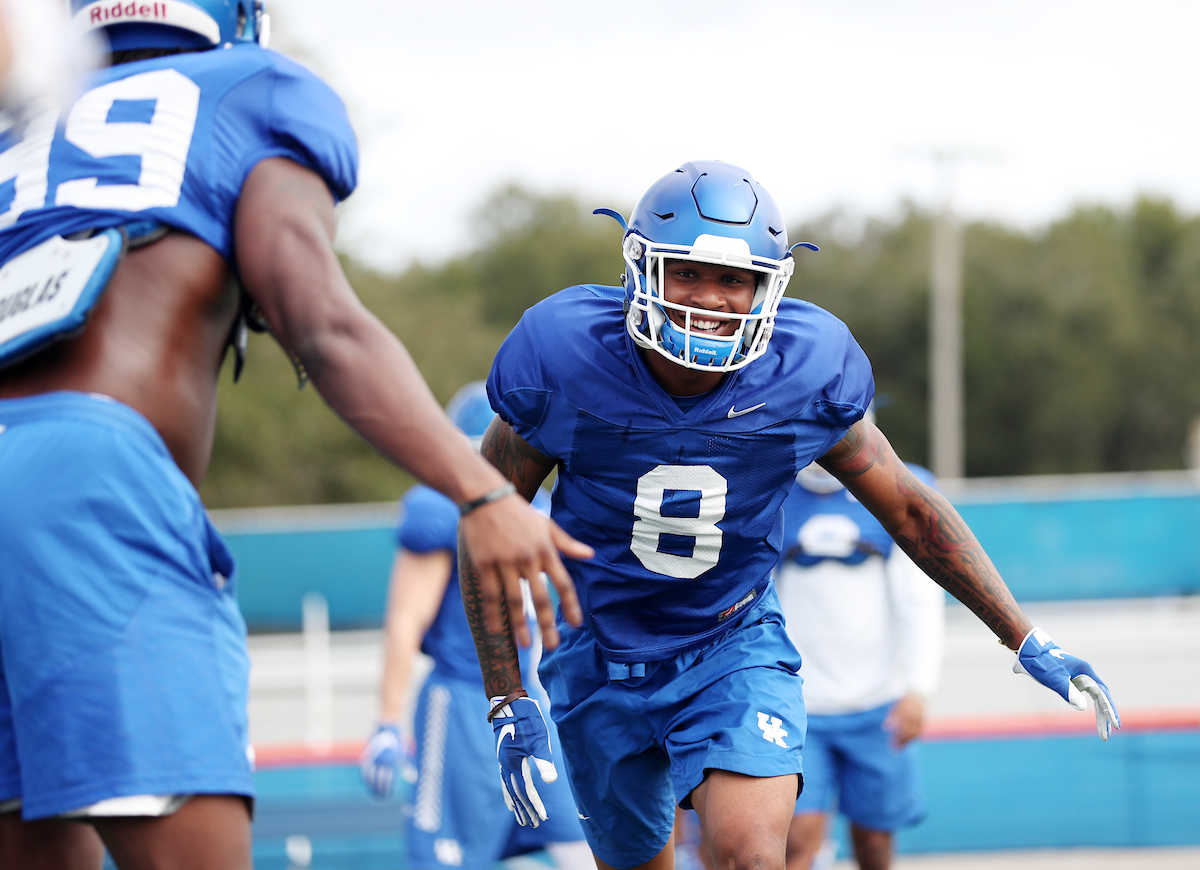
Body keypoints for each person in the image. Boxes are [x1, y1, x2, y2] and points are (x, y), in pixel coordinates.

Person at [0, 4, 589, 869]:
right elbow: (325, 326)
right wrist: (483, 491)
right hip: (92, 479)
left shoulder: (20, 136)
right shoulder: (251, 90)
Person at [455, 160, 1120, 870]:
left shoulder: (805, 370)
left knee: (751, 853)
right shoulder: (564, 354)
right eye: (687, 273)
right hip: (597, 656)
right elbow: (485, 517)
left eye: (732, 280)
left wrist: (1022, 636)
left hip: (729, 644)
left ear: (767, 288)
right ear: (641, 270)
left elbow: (911, 509)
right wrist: (506, 696)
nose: (708, 299)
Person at [360, 381, 590, 870]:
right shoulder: (444, 510)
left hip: (536, 702)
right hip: (468, 704)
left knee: (589, 852)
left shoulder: (538, 508)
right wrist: (387, 720)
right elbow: (406, 620)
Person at [776, 458, 945, 870]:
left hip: (876, 705)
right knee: (796, 840)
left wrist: (918, 690)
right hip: (797, 708)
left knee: (873, 842)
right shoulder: (772, 489)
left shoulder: (893, 490)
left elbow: (918, 603)